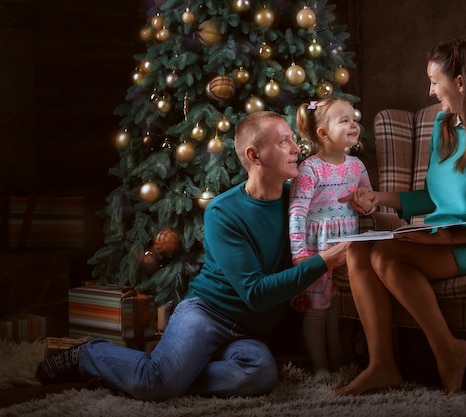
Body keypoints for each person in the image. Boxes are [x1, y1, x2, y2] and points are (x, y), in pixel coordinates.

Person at [36, 111, 349, 401]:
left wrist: (362, 200)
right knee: (156, 384)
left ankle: (163, 377)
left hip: (247, 333)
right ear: (255, 156)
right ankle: (90, 355)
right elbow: (255, 293)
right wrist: (324, 261)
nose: (297, 148)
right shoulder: (223, 212)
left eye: (294, 139)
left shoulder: (300, 201)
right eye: (284, 142)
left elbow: (339, 202)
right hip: (206, 314)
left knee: (260, 375)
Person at [335, 36, 466, 395]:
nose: (429, 91)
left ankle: (447, 352)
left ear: (460, 82)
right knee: (361, 250)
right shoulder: (444, 126)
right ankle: (384, 365)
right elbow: (431, 198)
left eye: (434, 81)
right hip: (440, 237)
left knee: (383, 254)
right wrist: (381, 197)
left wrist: (451, 237)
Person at [288, 97, 373, 379]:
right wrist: (299, 252)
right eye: (345, 120)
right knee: (316, 309)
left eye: (355, 119)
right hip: (317, 250)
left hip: (348, 245)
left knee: (336, 305)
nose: (353, 125)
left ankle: (337, 361)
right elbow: (297, 211)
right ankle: (320, 366)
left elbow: (368, 203)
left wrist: (364, 204)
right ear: (323, 133)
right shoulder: (310, 169)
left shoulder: (357, 166)